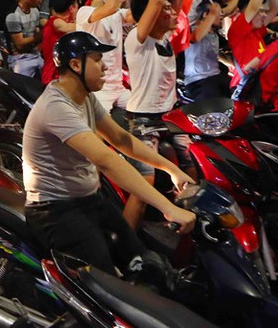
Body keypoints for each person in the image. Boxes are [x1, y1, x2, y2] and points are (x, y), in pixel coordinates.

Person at [23, 31, 195, 277]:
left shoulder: (85, 98)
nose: (104, 67)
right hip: (55, 211)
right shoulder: (56, 108)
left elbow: (121, 139)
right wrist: (168, 207)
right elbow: (108, 160)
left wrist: (172, 169)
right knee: (105, 288)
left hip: (88, 199)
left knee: (142, 262)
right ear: (75, 65)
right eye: (96, 60)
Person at [123, 0, 192, 229]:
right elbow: (156, 0)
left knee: (191, 169)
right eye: (164, 10)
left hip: (171, 117)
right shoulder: (138, 41)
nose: (172, 11)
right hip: (143, 120)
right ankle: (127, 247)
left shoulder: (164, 38)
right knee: (143, 188)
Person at [76, 0, 136, 111]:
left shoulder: (116, 14)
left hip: (119, 88)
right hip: (98, 90)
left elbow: (139, 14)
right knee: (104, 135)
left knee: (143, 114)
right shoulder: (85, 13)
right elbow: (110, 6)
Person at [227, 0, 278, 86]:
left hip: (257, 86)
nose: (263, 15)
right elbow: (253, 7)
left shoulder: (256, 30)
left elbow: (275, 8)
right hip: (243, 87)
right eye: (260, 12)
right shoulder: (238, 28)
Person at [6, 0, 45, 77]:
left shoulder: (35, 11)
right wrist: (41, 35)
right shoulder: (14, 16)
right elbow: (19, 43)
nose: (40, 1)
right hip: (20, 58)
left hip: (35, 54)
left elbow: (36, 30)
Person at [40, 0, 78, 85]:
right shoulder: (55, 22)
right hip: (54, 77)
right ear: (72, 7)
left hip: (63, 75)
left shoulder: (63, 22)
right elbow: (74, 27)